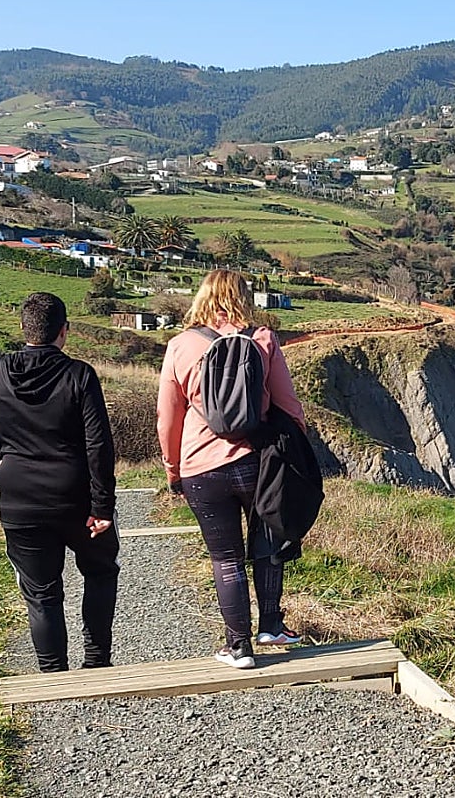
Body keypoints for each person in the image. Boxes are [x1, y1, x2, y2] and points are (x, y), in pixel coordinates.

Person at [0, 292, 118, 673]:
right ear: (65, 331)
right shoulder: (79, 375)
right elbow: (99, 444)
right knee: (100, 573)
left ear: (22, 328)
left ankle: (52, 673)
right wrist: (102, 506)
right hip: (76, 497)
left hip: (20, 498)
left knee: (41, 591)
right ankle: (97, 664)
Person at [157, 269, 306, 669]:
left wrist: (173, 470)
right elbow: (288, 405)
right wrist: (298, 450)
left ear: (202, 297)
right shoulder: (262, 339)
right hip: (257, 461)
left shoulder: (181, 345)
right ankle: (271, 625)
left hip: (200, 467)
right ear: (244, 297)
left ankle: (238, 647)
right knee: (267, 545)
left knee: (225, 557)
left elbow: (167, 418)